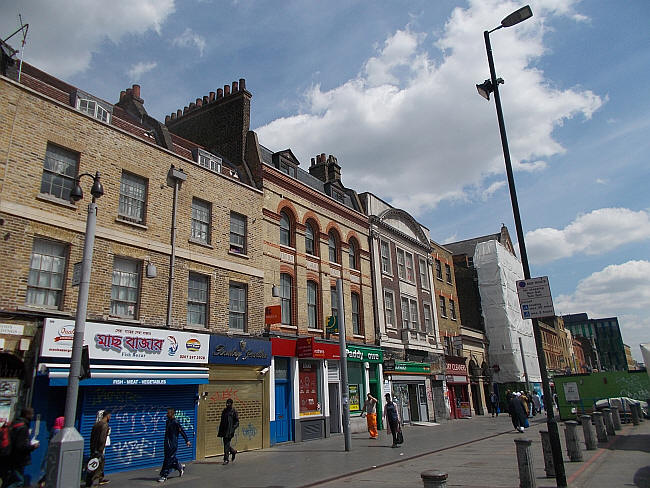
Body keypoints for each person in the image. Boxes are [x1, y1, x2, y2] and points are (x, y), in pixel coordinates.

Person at [5, 407, 39, 487]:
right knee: (18, 482)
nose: (33, 416)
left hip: (9, 456)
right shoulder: (23, 427)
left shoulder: (14, 423)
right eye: (32, 414)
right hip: (18, 458)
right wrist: (33, 446)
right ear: (27, 415)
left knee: (9, 480)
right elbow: (21, 446)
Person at [158, 408, 191, 483]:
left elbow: (182, 431)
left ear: (172, 414)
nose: (166, 414)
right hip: (167, 443)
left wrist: (187, 440)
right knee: (170, 458)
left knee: (169, 459)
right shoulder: (167, 422)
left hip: (173, 443)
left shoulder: (176, 422)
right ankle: (180, 467)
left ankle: (164, 475)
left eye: (168, 413)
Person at [85, 410, 111, 487]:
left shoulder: (96, 424)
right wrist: (100, 450)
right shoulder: (105, 425)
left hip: (93, 448)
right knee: (98, 465)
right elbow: (102, 439)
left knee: (92, 465)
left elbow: (92, 437)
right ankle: (94, 482)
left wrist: (92, 448)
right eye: (110, 416)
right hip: (99, 450)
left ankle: (89, 482)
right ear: (107, 416)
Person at [217, 399, 239, 465]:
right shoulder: (224, 411)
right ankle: (233, 451)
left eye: (228, 403)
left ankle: (226, 459)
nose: (227, 404)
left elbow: (237, 422)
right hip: (224, 430)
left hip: (229, 431)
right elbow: (222, 421)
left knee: (226, 444)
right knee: (226, 444)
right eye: (226, 403)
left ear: (231, 404)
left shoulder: (234, 411)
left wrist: (233, 428)